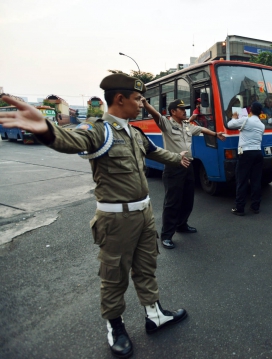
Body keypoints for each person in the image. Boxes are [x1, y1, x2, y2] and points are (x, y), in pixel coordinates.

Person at [0, 74, 190, 358]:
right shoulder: (99, 129)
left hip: (144, 213)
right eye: (138, 99)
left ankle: (155, 314)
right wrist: (46, 129)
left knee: (146, 266)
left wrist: (179, 158)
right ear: (120, 99)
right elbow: (70, 139)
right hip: (116, 220)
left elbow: (155, 151)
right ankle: (115, 326)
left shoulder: (133, 132)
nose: (141, 104)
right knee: (114, 276)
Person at [143, 98, 225, 249]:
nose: (184, 111)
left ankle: (182, 225)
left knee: (188, 199)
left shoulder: (187, 125)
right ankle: (166, 235)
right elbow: (156, 115)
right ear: (173, 112)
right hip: (173, 166)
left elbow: (201, 130)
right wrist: (146, 104)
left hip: (188, 166)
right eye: (181, 109)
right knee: (172, 202)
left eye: (185, 109)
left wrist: (215, 134)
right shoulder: (166, 124)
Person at [228, 102, 265, 216]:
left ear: (250, 110)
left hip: (245, 153)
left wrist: (234, 117)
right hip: (258, 153)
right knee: (256, 181)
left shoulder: (246, 120)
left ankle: (239, 208)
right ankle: (255, 207)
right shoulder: (261, 125)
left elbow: (230, 125)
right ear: (260, 113)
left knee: (242, 180)